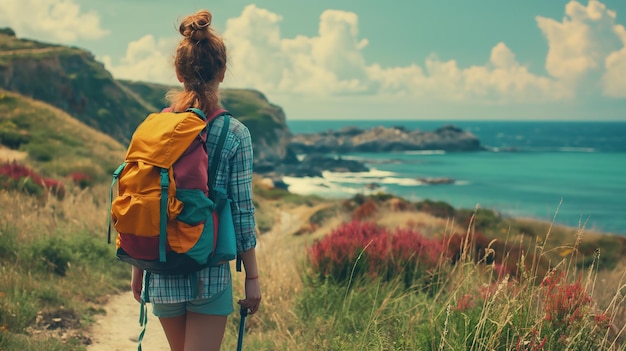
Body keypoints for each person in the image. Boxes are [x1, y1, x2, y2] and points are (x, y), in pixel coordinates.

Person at [130, 9, 261, 351]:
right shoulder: (234, 132)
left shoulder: (154, 128)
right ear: (222, 72)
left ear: (178, 72)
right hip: (210, 271)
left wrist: (138, 267)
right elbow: (242, 212)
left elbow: (141, 193)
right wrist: (253, 277)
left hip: (160, 265)